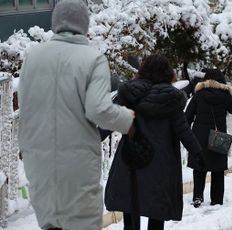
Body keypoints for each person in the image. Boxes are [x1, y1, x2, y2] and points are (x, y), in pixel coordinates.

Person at [18, 1, 134, 229]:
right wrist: (129, 121)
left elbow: (26, 105)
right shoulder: (92, 58)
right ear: (84, 23)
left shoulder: (33, 57)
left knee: (51, 224)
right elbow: (98, 109)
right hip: (77, 162)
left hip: (37, 159)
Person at [105, 54, 203, 230]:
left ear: (142, 70)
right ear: (168, 73)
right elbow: (183, 130)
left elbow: (111, 121)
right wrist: (198, 153)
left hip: (132, 159)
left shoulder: (129, 94)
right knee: (157, 213)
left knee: (130, 208)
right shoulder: (172, 99)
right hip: (161, 164)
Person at [185, 68, 232, 208]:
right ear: (222, 81)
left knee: (199, 167)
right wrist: (230, 94)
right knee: (217, 169)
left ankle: (198, 197)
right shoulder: (225, 96)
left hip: (199, 135)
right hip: (218, 136)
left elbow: (187, 117)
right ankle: (216, 200)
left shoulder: (198, 96)